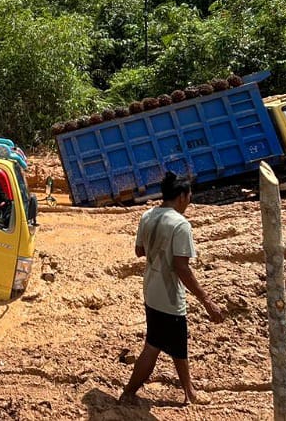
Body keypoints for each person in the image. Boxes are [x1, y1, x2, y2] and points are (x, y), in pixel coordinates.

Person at [120, 171, 225, 406]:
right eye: (189, 196)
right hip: (168, 296)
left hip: (151, 289)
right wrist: (207, 301)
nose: (189, 201)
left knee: (174, 345)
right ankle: (129, 393)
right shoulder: (180, 224)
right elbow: (182, 268)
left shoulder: (148, 215)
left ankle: (189, 392)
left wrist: (157, 250)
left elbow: (139, 251)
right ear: (180, 196)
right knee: (154, 345)